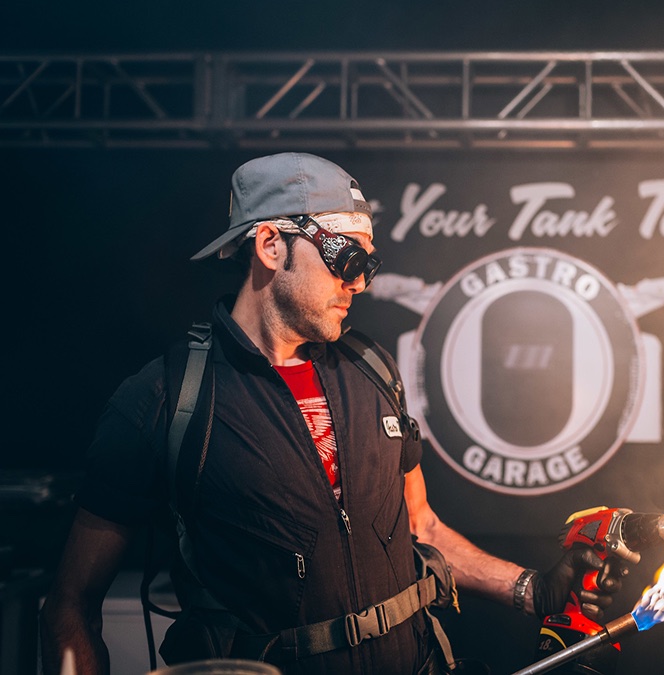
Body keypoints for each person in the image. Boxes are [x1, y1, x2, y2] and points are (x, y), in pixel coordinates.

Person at [39, 153, 623, 675]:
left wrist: (536, 590)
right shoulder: (165, 398)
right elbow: (71, 602)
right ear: (271, 246)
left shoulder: (371, 368)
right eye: (345, 257)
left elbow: (423, 528)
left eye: (368, 263)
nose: (359, 283)